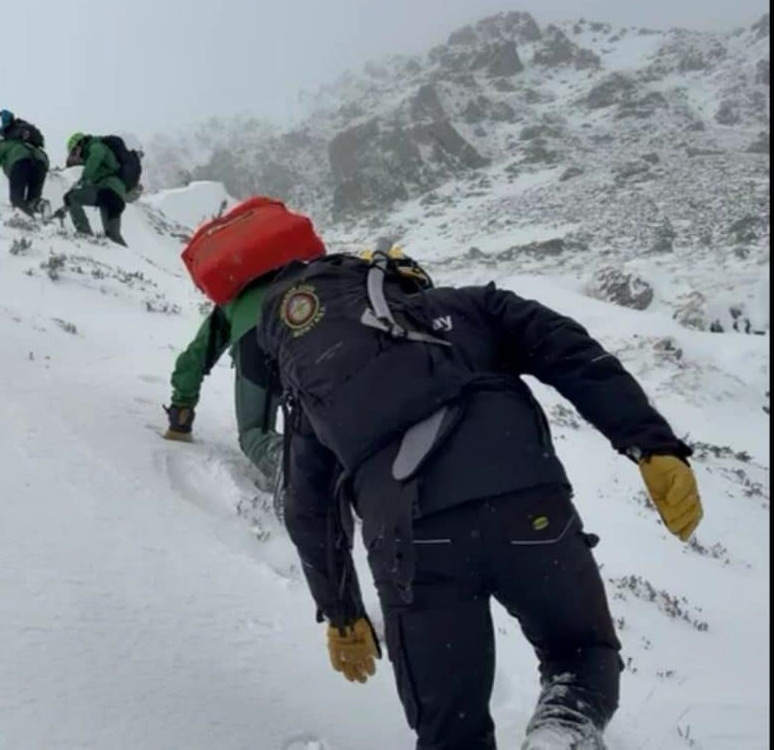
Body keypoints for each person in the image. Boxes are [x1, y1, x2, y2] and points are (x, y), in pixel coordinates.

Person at [257, 245, 703, 750]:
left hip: (410, 547)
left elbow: (308, 508)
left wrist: (342, 615)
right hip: (525, 508)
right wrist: (648, 442)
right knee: (580, 654)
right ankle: (562, 732)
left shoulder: (315, 388)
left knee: (450, 731)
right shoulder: (468, 308)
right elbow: (570, 351)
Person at [165, 274, 285, 492]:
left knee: (255, 432)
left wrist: (181, 408)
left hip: (259, 338)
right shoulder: (303, 277)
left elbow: (197, 355)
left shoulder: (235, 293)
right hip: (320, 330)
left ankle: (297, 473)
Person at [62, 132, 130, 246]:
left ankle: (85, 234)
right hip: (116, 196)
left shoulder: (95, 145)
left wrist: (84, 177)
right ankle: (128, 257)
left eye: (74, 151)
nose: (75, 155)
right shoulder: (95, 161)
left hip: (108, 190)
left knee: (71, 197)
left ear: (81, 144)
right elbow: (89, 188)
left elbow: (97, 155)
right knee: (113, 236)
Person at [0, 110, 48, 218]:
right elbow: (45, 160)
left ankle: (29, 220)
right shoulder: (32, 144)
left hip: (21, 164)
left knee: (17, 199)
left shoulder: (4, 145)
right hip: (41, 163)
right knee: (32, 201)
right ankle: (39, 207)